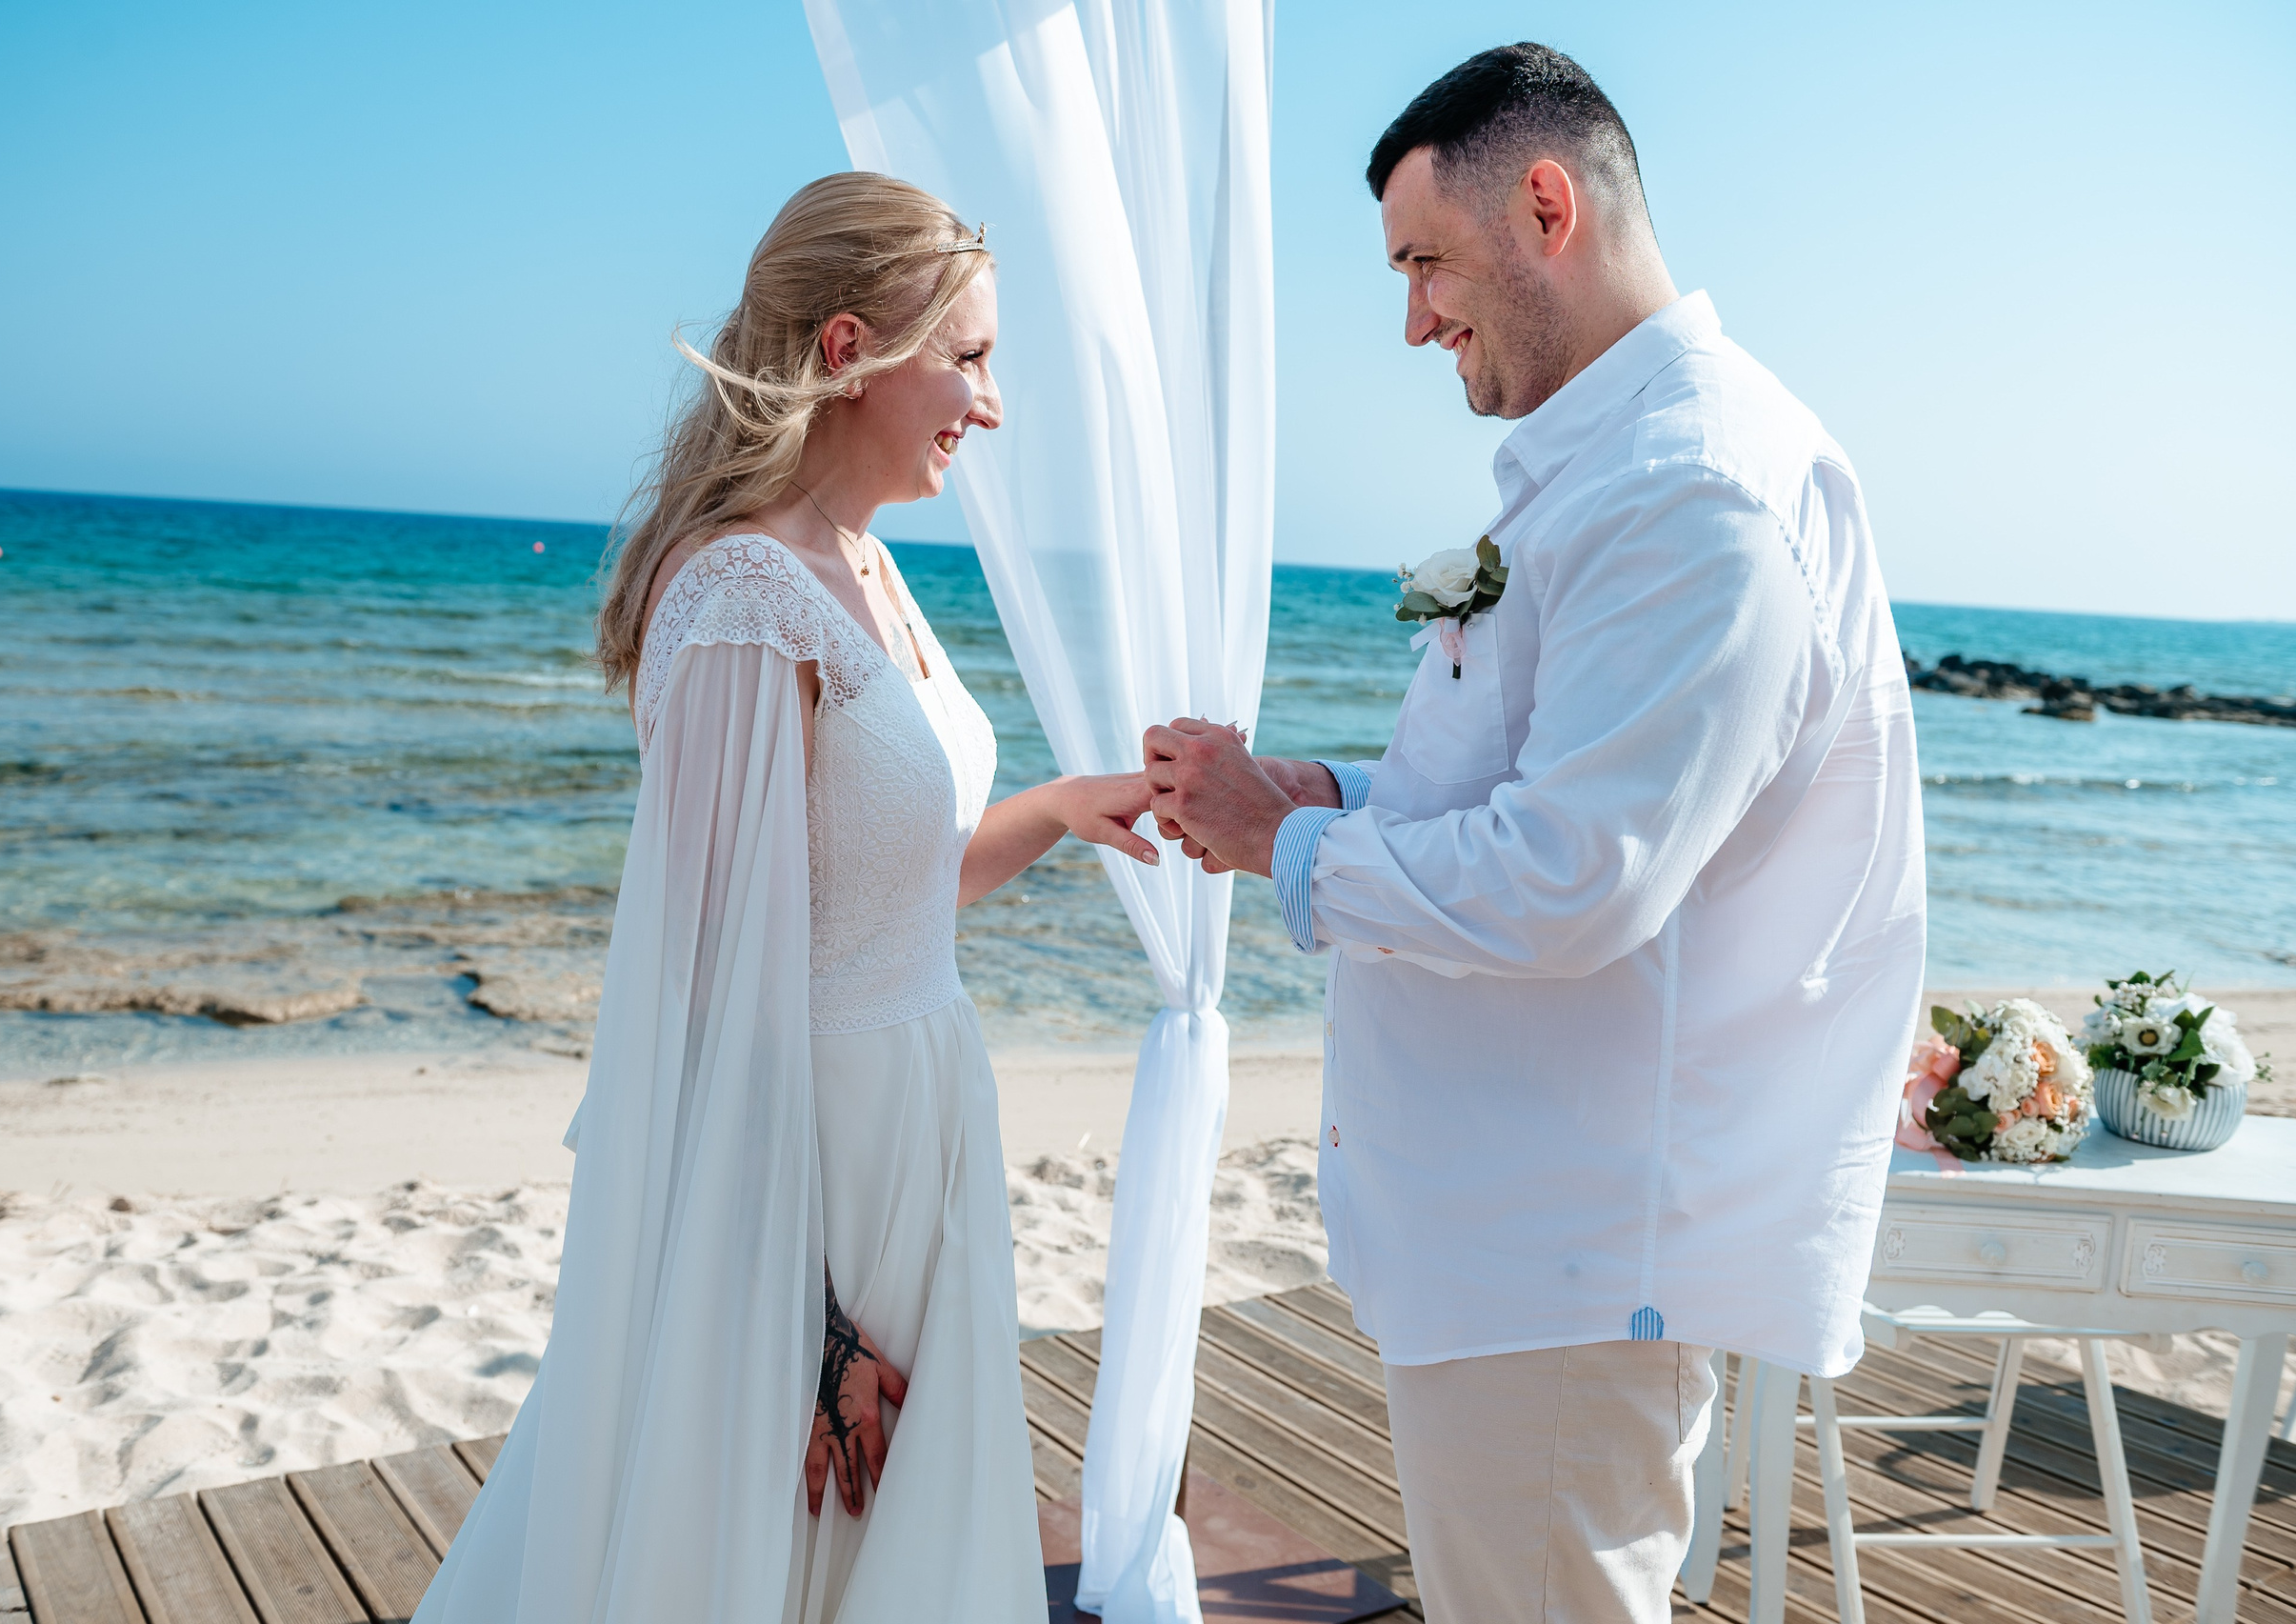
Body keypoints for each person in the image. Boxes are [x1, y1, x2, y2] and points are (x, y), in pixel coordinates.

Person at [1143, 43, 1926, 1624]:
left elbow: (1582, 880)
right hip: (1514, 1247)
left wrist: (1285, 856)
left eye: (1425, 261)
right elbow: (1545, 792)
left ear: (1547, 206)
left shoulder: (1692, 492)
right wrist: (1327, 800)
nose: (1414, 316)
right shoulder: (1615, 468)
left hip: (1565, 1257)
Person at [412, 172, 1155, 1624]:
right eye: (973, 358)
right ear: (847, 348)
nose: (991, 409)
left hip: (919, 1132)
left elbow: (889, 893)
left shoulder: (866, 567)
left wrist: (1067, 807)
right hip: (802, 1186)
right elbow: (702, 1008)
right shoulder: (744, 597)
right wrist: (806, 1331)